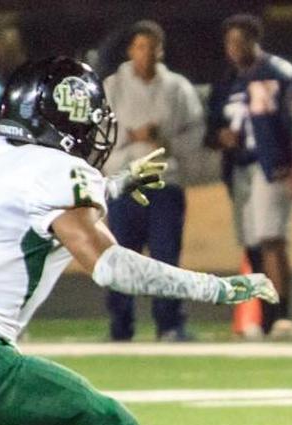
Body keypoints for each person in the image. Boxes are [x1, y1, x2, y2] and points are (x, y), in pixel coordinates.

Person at [0, 57, 276, 425]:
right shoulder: (57, 172)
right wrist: (215, 289)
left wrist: (116, 185)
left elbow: (28, 207)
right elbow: (110, 265)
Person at [103, 20, 205, 341]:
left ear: (161, 50)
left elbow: (195, 129)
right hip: (124, 180)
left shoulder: (177, 87)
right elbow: (97, 131)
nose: (146, 54)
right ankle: (120, 327)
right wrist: (132, 134)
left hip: (164, 181)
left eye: (152, 47)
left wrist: (169, 143)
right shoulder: (112, 86)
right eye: (140, 47)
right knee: (120, 256)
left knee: (165, 256)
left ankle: (169, 324)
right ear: (131, 49)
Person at [206, 14, 292, 340]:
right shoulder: (227, 80)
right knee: (251, 244)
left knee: (270, 238)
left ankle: (281, 316)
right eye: (229, 42)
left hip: (271, 166)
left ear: (254, 40)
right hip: (239, 169)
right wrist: (221, 137)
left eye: (239, 41)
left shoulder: (279, 73)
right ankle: (261, 315)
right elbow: (211, 130)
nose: (233, 49)